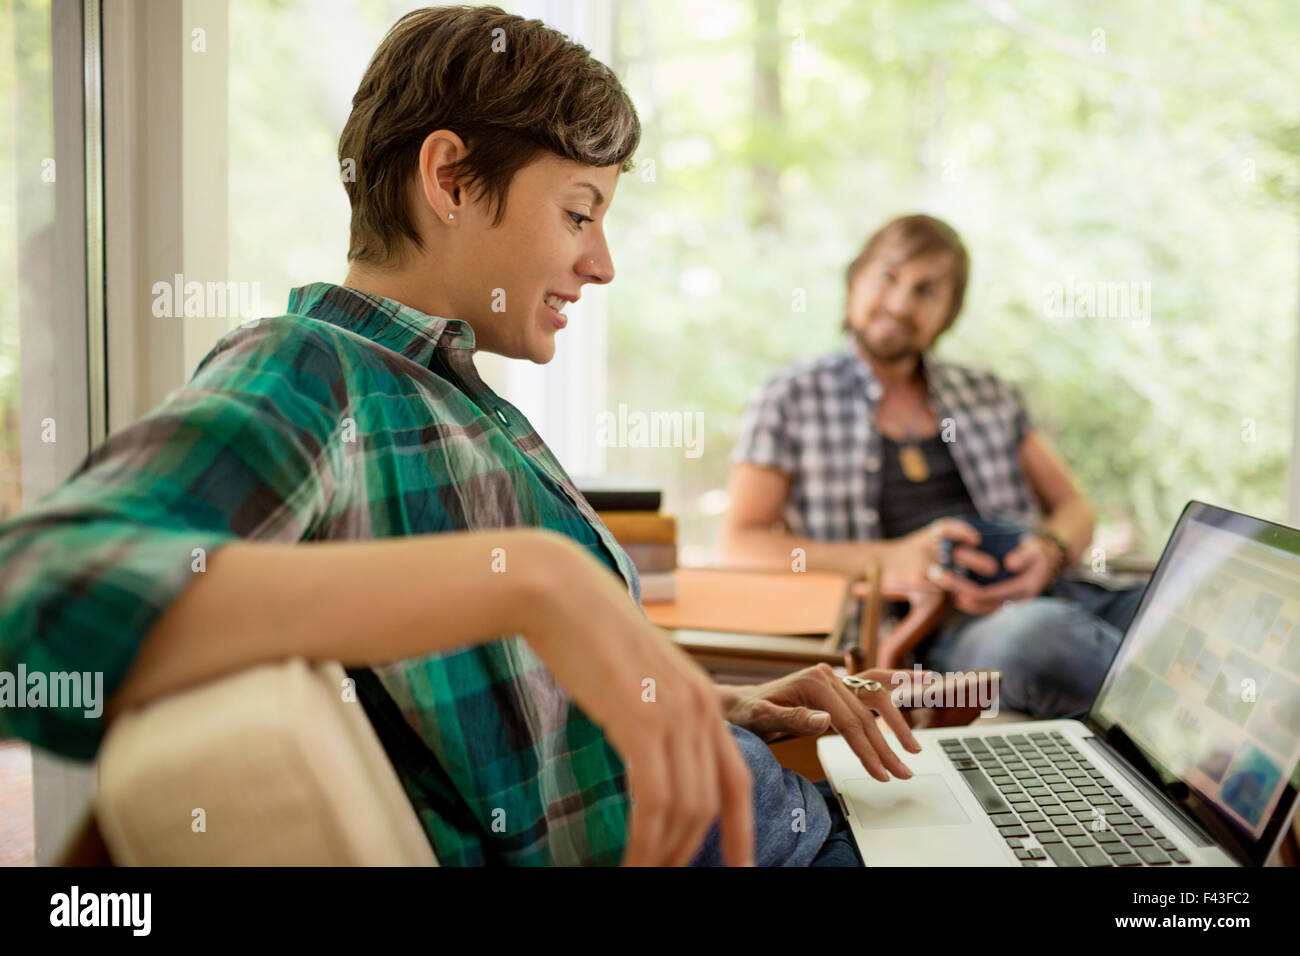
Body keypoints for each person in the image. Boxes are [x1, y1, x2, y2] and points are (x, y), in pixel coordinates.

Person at [0, 5, 964, 867]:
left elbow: (503, 718)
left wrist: (701, 701)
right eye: (579, 212)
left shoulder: (453, 399)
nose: (602, 262)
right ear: (451, 178)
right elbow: (38, 591)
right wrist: (537, 579)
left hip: (784, 808)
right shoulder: (312, 369)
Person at [722, 214, 1146, 719]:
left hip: (1066, 594)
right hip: (949, 637)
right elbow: (742, 543)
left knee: (1187, 604)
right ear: (855, 279)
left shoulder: (986, 393)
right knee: (1041, 638)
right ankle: (1184, 741)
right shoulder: (790, 398)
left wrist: (1050, 550)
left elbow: (1074, 507)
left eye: (926, 291)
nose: (900, 304)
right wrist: (892, 558)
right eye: (889, 277)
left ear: (948, 312)